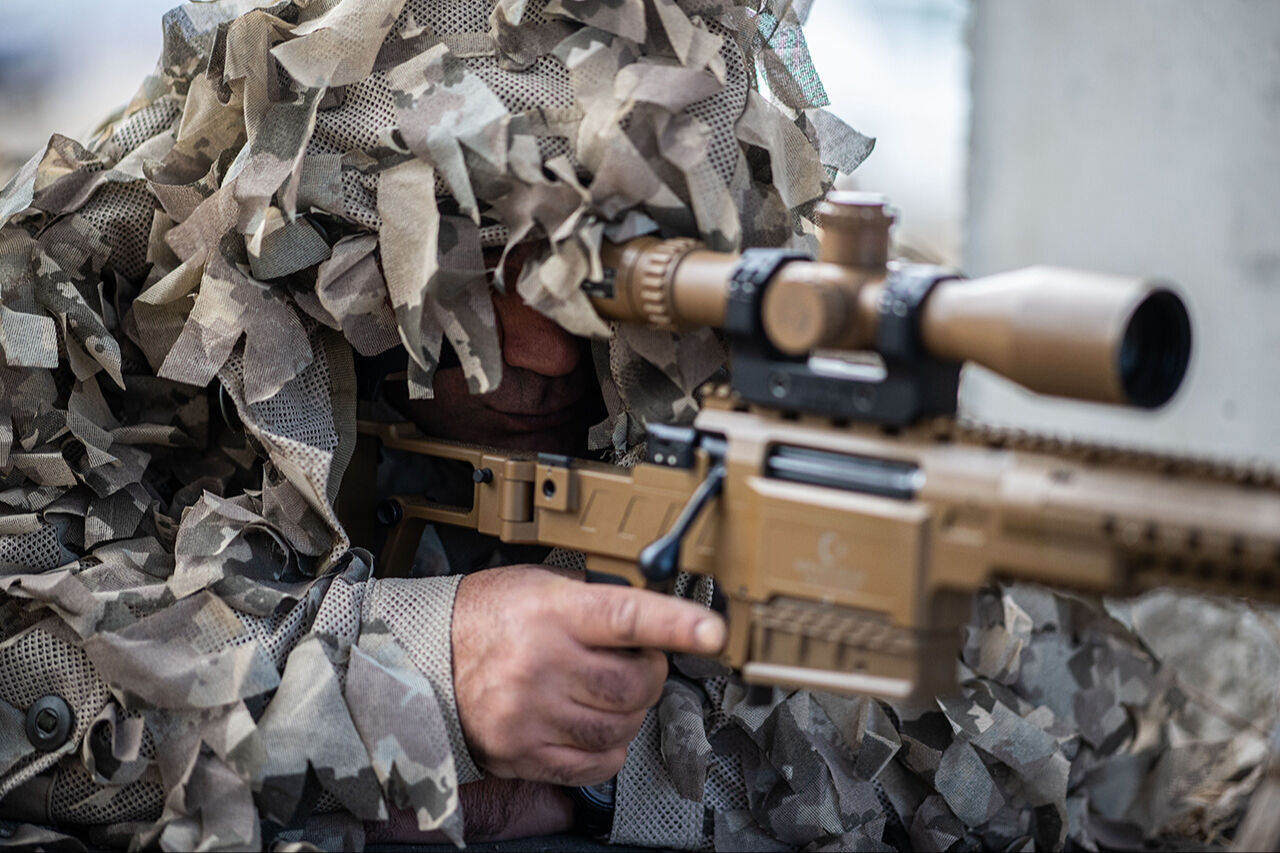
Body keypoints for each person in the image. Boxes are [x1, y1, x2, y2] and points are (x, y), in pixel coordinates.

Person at [1, 1, 1272, 851]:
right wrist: (415, 672)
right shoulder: (96, 289)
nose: (554, 346)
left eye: (621, 271)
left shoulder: (754, 384)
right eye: (491, 261)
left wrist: (621, 770)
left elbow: (1107, 759)